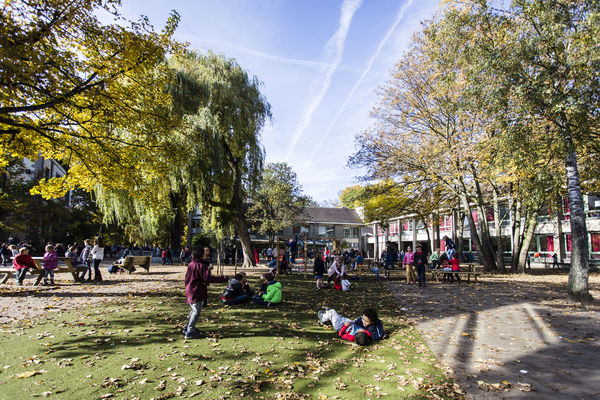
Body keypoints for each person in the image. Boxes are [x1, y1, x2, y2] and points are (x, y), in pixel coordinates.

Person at [183, 246, 228, 339]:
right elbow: (208, 278)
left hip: (191, 289)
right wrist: (223, 278)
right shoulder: (201, 265)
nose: (206, 253)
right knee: (196, 311)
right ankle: (190, 331)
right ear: (201, 254)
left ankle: (187, 327)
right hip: (196, 290)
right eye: (204, 252)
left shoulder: (192, 264)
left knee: (193, 309)